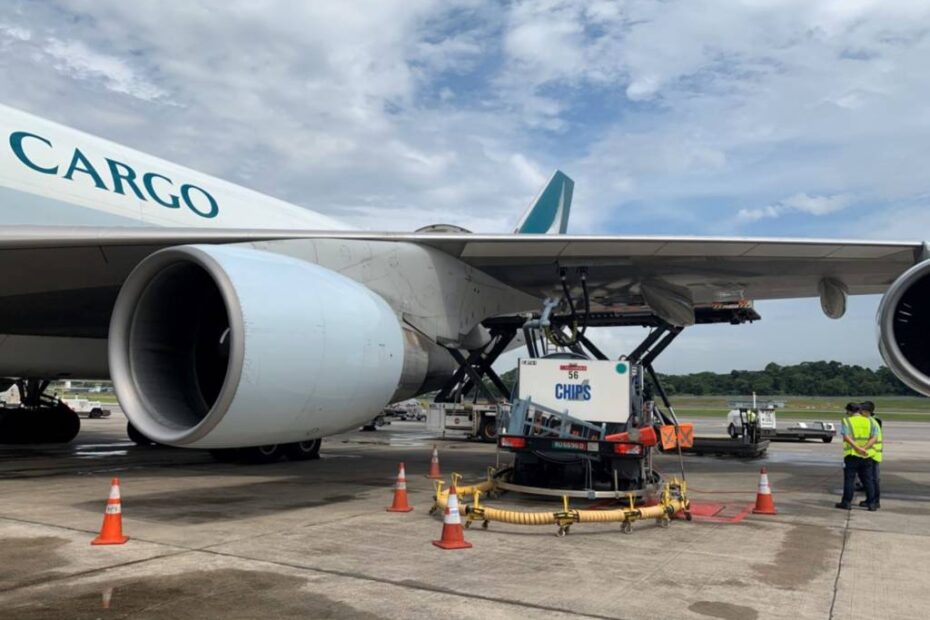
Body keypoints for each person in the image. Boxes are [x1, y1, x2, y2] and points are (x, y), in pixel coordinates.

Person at [836, 402, 878, 511]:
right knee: (868, 480)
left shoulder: (847, 420)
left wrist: (857, 448)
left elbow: (846, 437)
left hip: (852, 455)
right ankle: (872, 503)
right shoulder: (870, 421)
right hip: (866, 455)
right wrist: (864, 448)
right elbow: (874, 438)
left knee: (849, 480)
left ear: (849, 411)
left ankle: (846, 502)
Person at [858, 401, 882, 509]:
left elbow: (873, 438)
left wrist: (863, 449)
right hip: (873, 454)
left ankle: (873, 501)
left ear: (866, 411)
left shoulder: (871, 422)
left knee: (872, 480)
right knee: (872, 480)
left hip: (872, 454)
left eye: (861, 410)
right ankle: (872, 500)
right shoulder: (874, 421)